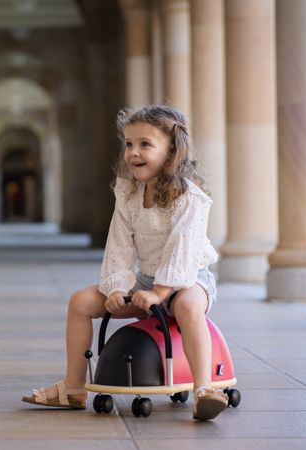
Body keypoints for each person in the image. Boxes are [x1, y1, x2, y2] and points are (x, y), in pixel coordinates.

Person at [22, 104, 228, 421]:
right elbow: (119, 243)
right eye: (129, 144)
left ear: (171, 149)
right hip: (146, 280)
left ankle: (204, 389)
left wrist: (161, 293)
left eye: (145, 144)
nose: (133, 152)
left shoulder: (190, 197)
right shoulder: (130, 193)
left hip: (189, 279)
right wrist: (119, 286)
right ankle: (74, 387)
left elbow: (182, 251)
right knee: (81, 302)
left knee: (187, 306)